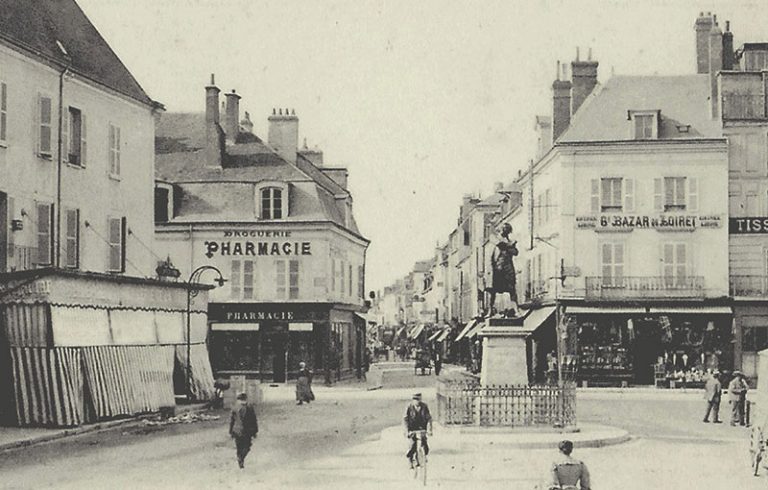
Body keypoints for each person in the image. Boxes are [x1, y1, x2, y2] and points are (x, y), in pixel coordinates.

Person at [489, 223, 519, 317]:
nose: (505, 233)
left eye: (507, 231)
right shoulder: (494, 238)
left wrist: (509, 245)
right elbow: (500, 245)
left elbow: (515, 252)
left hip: (508, 267)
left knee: (512, 289)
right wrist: (510, 245)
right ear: (501, 230)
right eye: (504, 230)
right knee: (494, 290)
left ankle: (516, 309)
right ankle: (490, 309)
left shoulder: (507, 240)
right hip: (498, 268)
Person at [229, 392, 258, 469]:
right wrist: (255, 431)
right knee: (246, 446)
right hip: (245, 431)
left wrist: (231, 431)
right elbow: (254, 420)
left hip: (238, 431)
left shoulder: (235, 407)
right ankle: (241, 458)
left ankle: (240, 458)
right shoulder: (248, 407)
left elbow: (232, 420)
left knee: (242, 446)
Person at [403, 393, 433, 469]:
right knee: (412, 445)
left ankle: (423, 455)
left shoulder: (424, 407)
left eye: (418, 399)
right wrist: (407, 431)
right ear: (412, 400)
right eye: (415, 399)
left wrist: (429, 430)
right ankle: (410, 459)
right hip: (412, 429)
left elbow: (429, 419)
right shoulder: (409, 407)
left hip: (421, 428)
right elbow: (405, 420)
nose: (417, 401)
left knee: (424, 444)